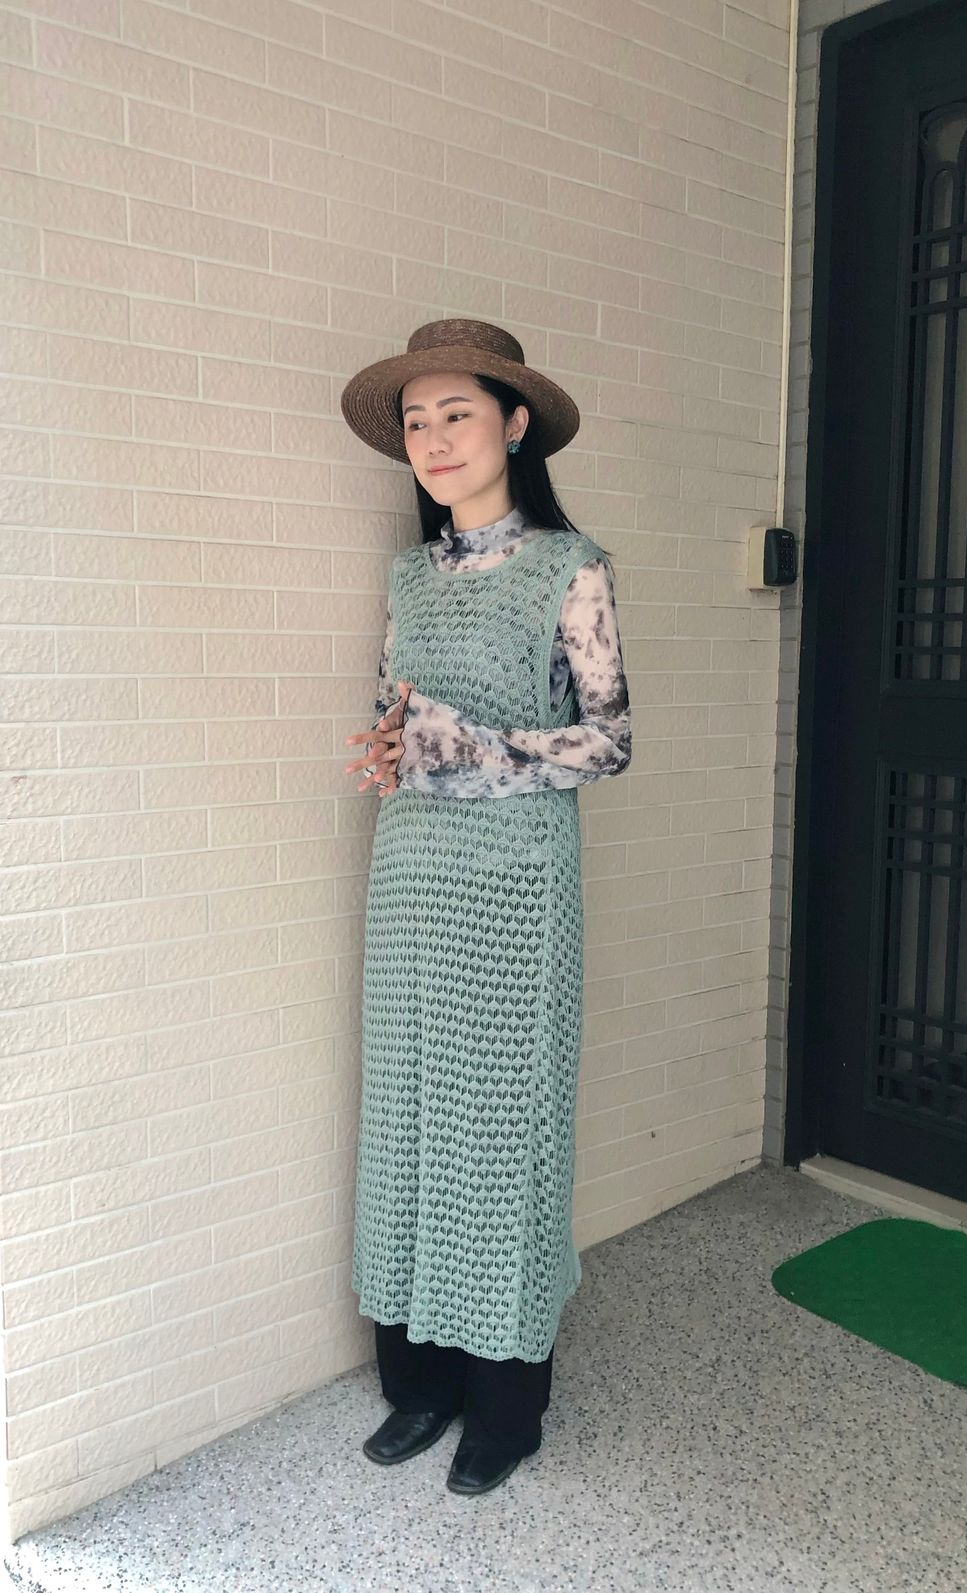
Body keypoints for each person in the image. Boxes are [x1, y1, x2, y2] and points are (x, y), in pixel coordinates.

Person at [339, 319, 632, 1496]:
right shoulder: (408, 574)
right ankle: (418, 1385)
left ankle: (506, 1409)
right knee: (409, 1119)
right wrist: (392, 749)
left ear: (514, 425)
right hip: (411, 875)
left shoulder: (571, 566)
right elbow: (397, 713)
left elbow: (608, 742)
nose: (433, 438)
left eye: (455, 413)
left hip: (515, 884)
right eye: (416, 420)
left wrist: (468, 744)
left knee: (502, 1133)